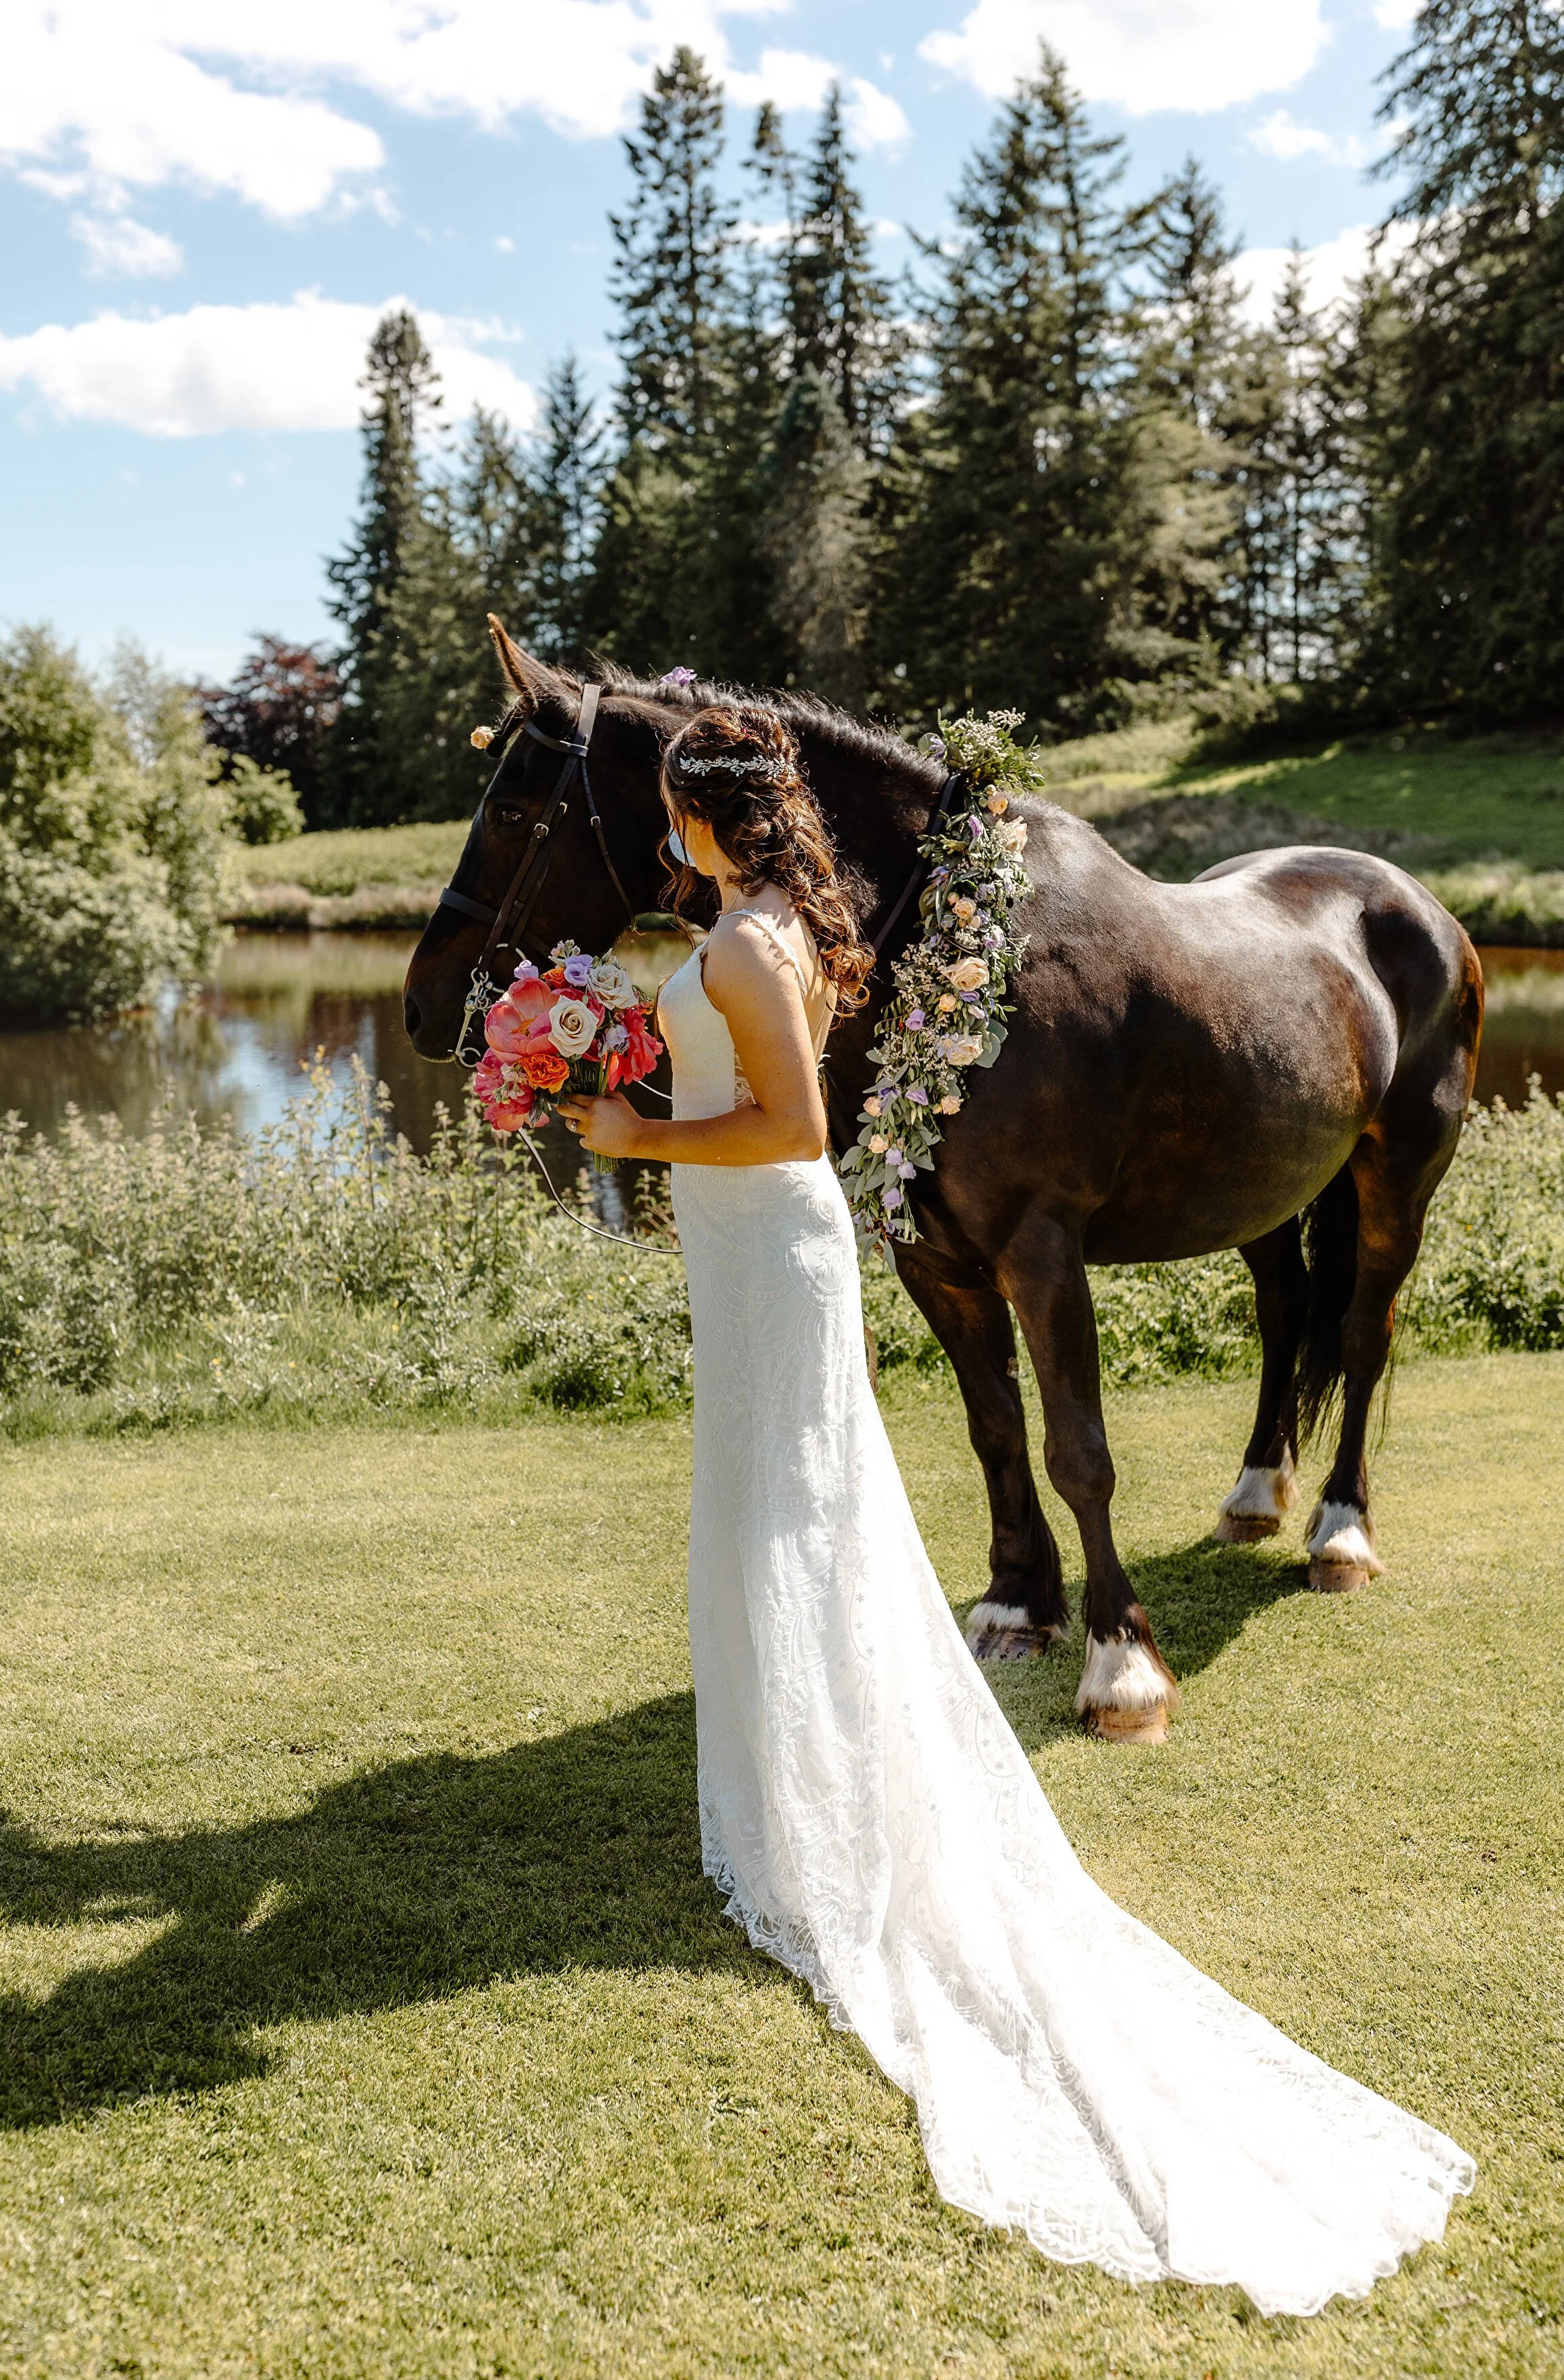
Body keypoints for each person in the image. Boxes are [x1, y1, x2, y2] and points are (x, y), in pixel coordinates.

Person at [557, 702, 1473, 2316]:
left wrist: (632, 1121)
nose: (662, 843)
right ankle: (989, 1602)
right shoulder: (787, 932)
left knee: (1340, 1287)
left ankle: (1279, 1503)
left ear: (703, 820)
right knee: (778, 1488)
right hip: (752, 1238)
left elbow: (795, 1118)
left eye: (672, 818)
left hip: (757, 1217)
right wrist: (610, 1043)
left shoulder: (770, 938)